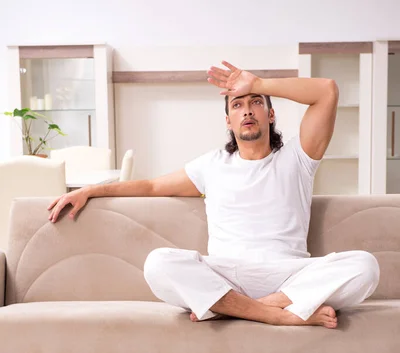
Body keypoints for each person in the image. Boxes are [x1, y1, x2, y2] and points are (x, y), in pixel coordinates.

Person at [48, 60, 380, 329]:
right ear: (229, 120)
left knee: (365, 266)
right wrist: (92, 190)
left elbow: (327, 91)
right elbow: (150, 186)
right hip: (227, 274)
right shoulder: (212, 165)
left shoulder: (298, 158)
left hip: (288, 273)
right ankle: (275, 314)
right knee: (158, 263)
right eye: (238, 105)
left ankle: (240, 308)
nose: (247, 110)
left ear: (270, 114)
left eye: (255, 103)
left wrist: (257, 83)